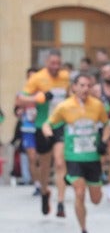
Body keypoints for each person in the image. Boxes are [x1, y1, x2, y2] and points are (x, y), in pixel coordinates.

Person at [45, 71, 110, 233]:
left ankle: (96, 189)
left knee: (96, 199)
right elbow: (47, 124)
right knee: (79, 193)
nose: (85, 89)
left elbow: (107, 125)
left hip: (93, 158)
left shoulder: (97, 105)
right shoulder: (64, 106)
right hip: (73, 157)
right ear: (74, 87)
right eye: (81, 85)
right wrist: (48, 133)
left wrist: (104, 140)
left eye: (88, 85)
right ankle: (83, 231)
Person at [25, 51, 71, 217]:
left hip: (60, 124)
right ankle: (45, 191)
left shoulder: (66, 77)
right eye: (52, 63)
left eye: (58, 63)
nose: (55, 67)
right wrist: (40, 97)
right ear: (46, 62)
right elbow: (21, 100)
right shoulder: (36, 78)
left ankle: (60, 203)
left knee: (59, 162)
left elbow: (68, 96)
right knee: (44, 165)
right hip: (43, 124)